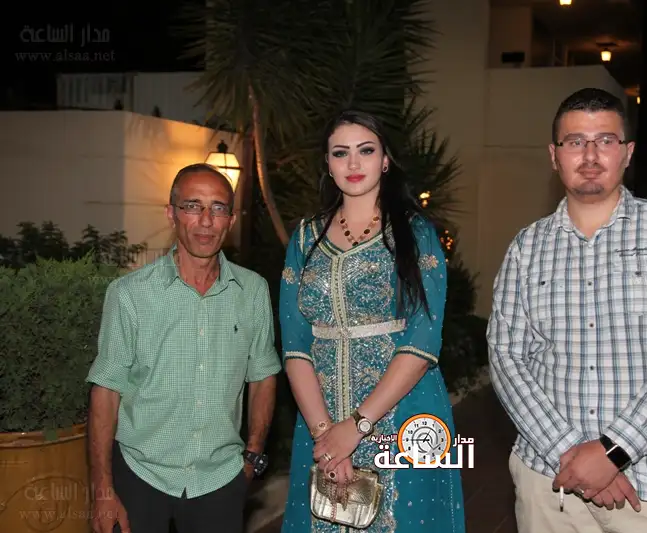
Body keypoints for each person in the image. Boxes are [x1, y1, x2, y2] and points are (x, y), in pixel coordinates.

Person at [487, 88, 647, 533]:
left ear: (627, 152)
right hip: (550, 484)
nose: (590, 155)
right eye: (575, 141)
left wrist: (615, 451)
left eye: (605, 140)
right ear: (554, 156)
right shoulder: (526, 248)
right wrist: (571, 453)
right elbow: (506, 356)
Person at [278, 109, 466, 533]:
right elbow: (295, 344)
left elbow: (422, 342)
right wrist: (326, 436)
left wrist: (357, 427)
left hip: (403, 415)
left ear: (385, 160)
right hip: (319, 417)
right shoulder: (305, 238)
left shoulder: (416, 234)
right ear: (327, 164)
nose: (353, 163)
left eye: (365, 150)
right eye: (340, 153)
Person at [85, 163, 283, 533]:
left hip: (220, 479)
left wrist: (253, 456)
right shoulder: (129, 294)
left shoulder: (253, 291)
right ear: (171, 214)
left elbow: (263, 375)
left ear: (231, 220)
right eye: (193, 206)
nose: (206, 221)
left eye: (218, 208)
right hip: (140, 476)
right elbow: (106, 391)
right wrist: (102, 490)